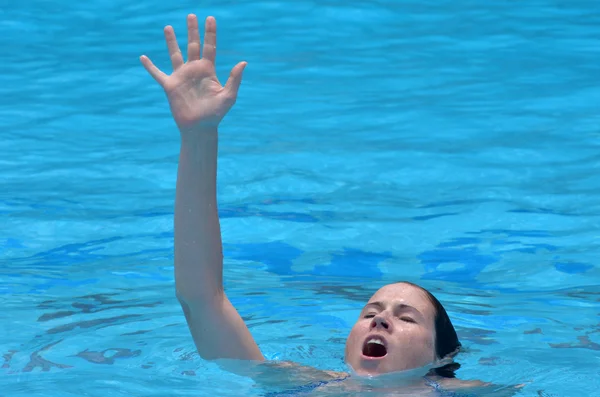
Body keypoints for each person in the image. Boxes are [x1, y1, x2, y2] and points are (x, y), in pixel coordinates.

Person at [140, 13, 522, 395]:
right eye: (370, 313)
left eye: (406, 318)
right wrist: (199, 136)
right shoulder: (301, 385)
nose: (380, 321)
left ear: (440, 357)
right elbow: (201, 298)